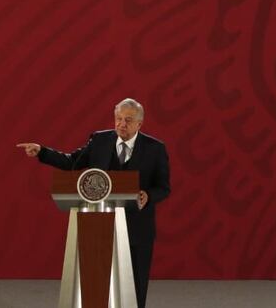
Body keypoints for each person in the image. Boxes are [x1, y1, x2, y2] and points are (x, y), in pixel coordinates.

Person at [18, 98, 170, 308]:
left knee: (135, 286)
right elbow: (73, 162)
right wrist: (42, 152)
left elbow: (163, 187)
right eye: (118, 119)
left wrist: (148, 195)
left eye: (128, 120)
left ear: (139, 124)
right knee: (97, 283)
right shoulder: (100, 140)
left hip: (137, 228)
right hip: (99, 224)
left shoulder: (155, 148)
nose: (121, 124)